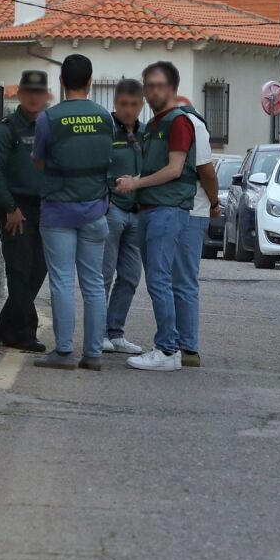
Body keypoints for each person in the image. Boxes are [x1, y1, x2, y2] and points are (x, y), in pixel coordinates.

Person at [31, 54, 115, 371]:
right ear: (90, 80)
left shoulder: (48, 119)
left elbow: (38, 160)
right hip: (95, 210)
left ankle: (64, 352)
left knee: (62, 281)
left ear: (62, 81)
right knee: (93, 284)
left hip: (58, 211)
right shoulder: (105, 118)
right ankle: (93, 354)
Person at [114, 61, 198, 372]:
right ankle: (168, 346)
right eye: (148, 85)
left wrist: (136, 183)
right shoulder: (154, 124)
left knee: (161, 281)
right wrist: (133, 179)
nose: (151, 92)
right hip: (152, 209)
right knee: (157, 281)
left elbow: (175, 169)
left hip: (166, 210)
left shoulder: (178, 122)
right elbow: (156, 169)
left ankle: (167, 350)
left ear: (172, 88)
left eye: (158, 85)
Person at [0, 71, 51, 353]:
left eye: (39, 92)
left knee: (38, 270)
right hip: (17, 209)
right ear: (20, 95)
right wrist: (10, 207)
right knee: (20, 271)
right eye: (29, 92)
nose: (34, 97)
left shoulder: (50, 127)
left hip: (45, 208)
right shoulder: (8, 129)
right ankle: (25, 331)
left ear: (46, 95)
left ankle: (6, 328)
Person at [171, 95, 221, 368]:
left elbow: (205, 170)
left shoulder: (169, 123)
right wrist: (214, 203)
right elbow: (208, 173)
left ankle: (176, 343)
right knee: (184, 281)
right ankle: (185, 346)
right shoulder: (195, 125)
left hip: (171, 210)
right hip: (193, 209)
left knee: (169, 281)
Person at [101, 79, 146, 356]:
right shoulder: (106, 131)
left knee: (130, 276)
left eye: (134, 104)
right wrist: (107, 196)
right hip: (112, 211)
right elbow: (95, 166)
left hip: (137, 214)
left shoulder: (147, 134)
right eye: (123, 104)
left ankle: (116, 332)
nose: (128, 110)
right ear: (115, 104)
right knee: (103, 275)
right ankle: (98, 334)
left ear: (141, 105)